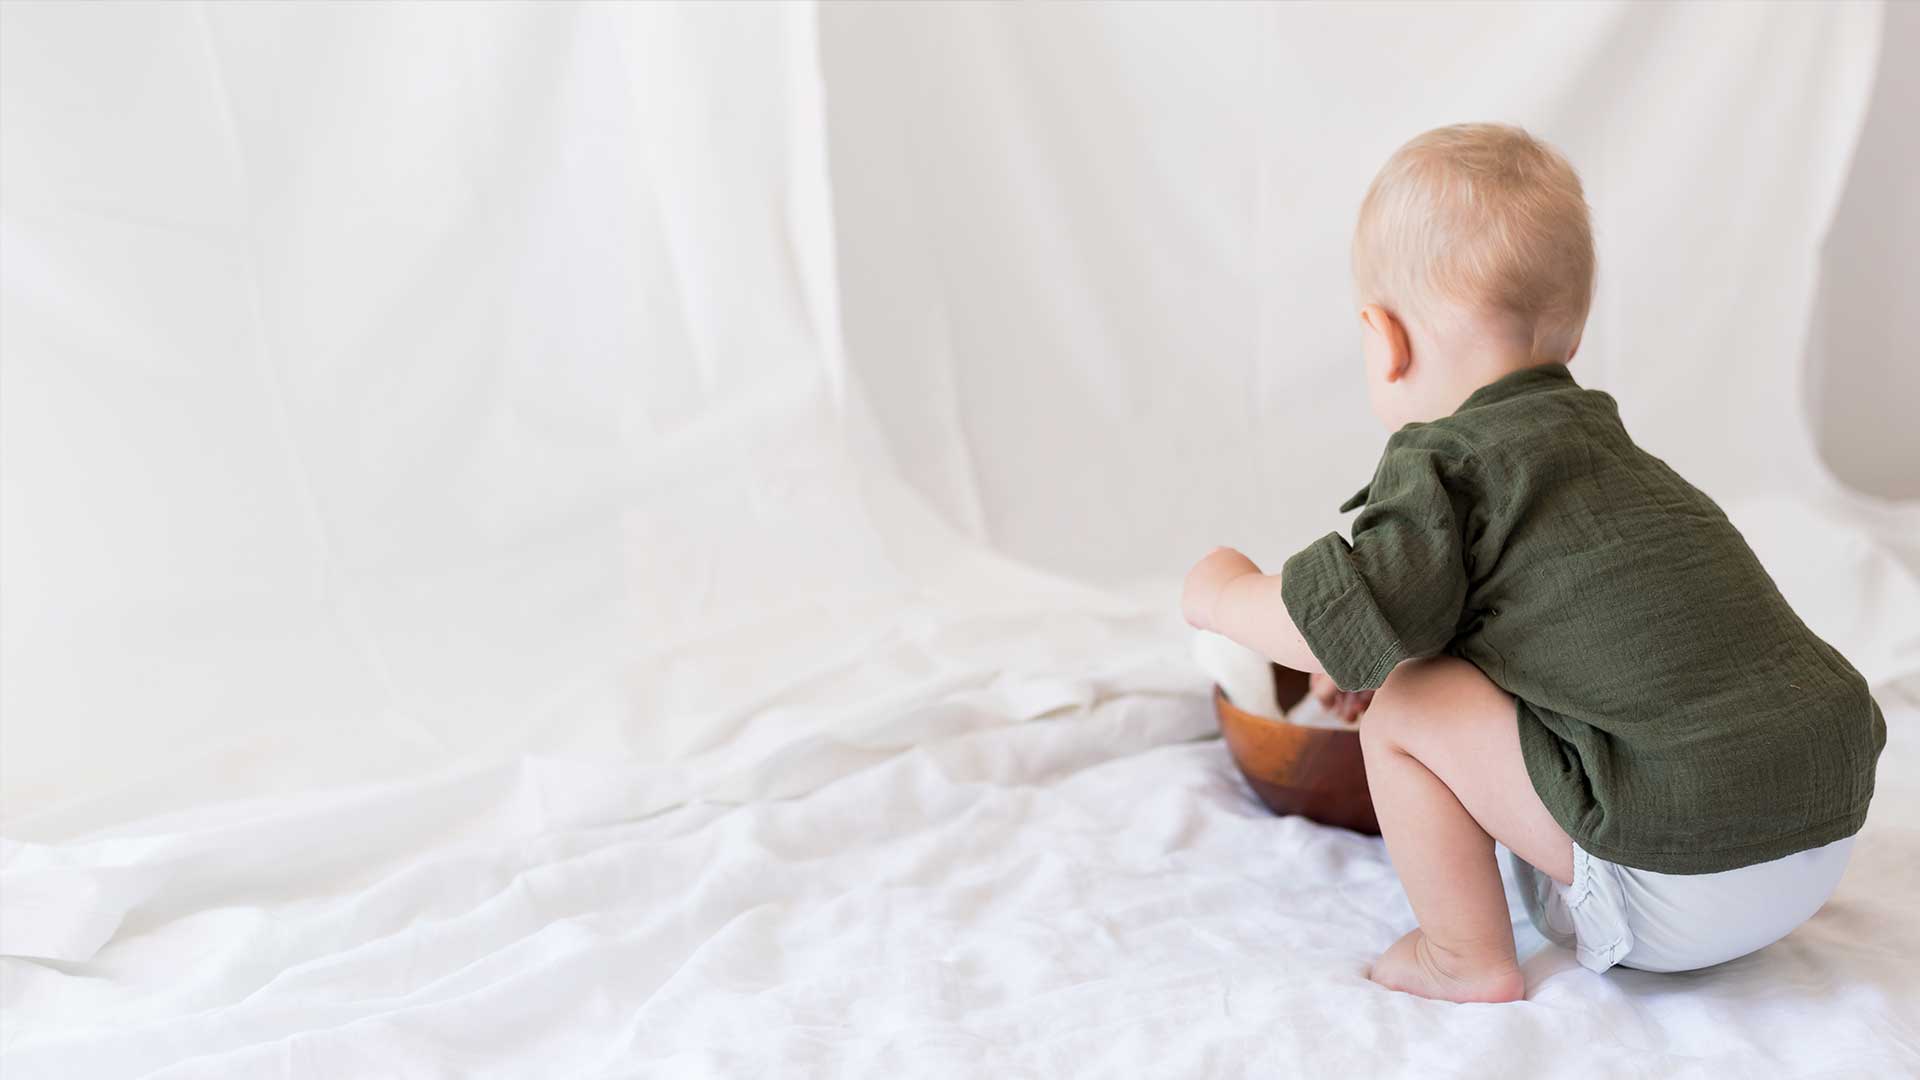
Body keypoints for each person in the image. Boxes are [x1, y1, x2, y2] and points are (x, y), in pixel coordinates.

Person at [1180, 123, 1884, 1003]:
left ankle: (1463, 959)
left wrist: (1224, 592)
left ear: (1385, 338)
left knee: (1400, 708)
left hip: (1681, 879)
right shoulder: (1611, 458)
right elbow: (1524, 632)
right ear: (1571, 336)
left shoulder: (1443, 460)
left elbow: (1330, 629)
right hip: (1818, 838)